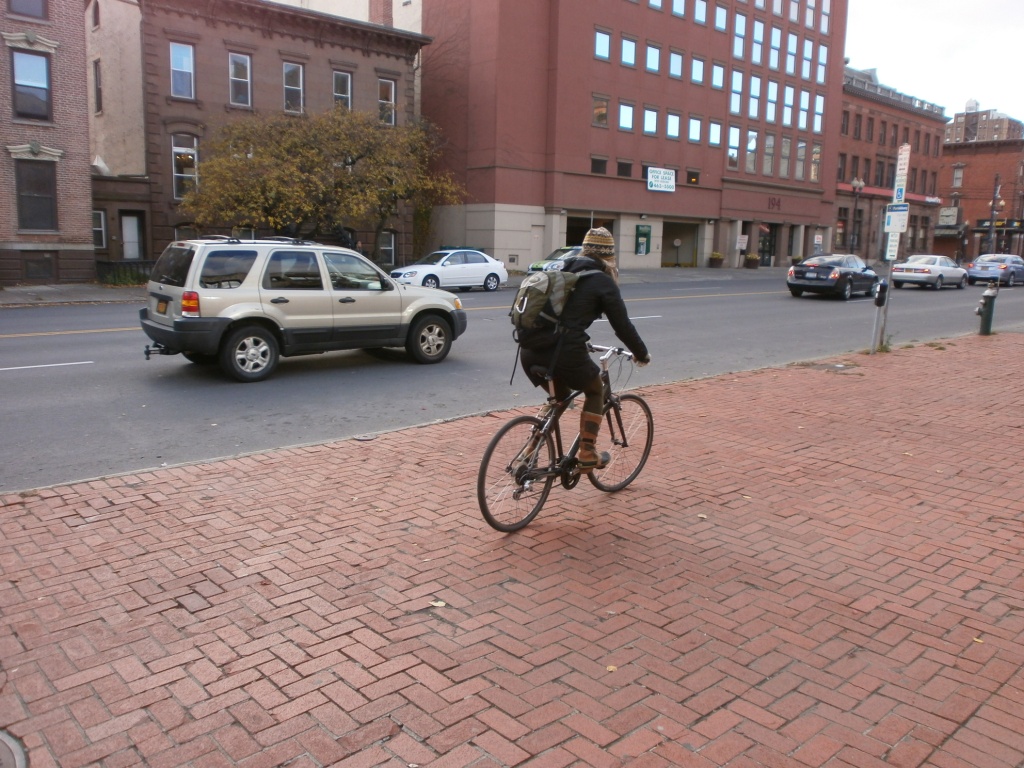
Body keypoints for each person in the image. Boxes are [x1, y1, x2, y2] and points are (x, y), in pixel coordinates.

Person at [518, 227, 651, 471]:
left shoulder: (562, 269)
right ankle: (588, 452)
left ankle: (529, 451)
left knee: (559, 399)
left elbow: (562, 316)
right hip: (562, 351)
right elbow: (622, 326)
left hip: (528, 348)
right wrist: (641, 354)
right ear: (608, 257)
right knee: (595, 390)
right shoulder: (602, 281)